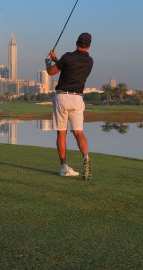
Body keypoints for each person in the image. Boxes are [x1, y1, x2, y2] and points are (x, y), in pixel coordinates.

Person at [45, 32, 93, 180]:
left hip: (62, 97)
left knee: (61, 133)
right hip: (77, 98)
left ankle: (64, 167)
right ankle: (86, 158)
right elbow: (70, 69)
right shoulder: (90, 61)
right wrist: (57, 60)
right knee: (78, 132)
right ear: (89, 46)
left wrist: (49, 61)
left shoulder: (68, 57)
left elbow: (51, 72)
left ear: (76, 42)